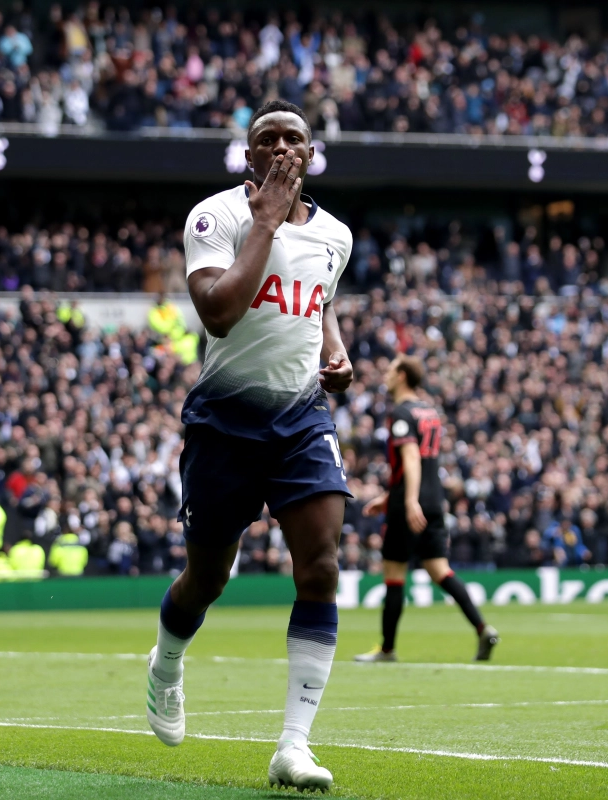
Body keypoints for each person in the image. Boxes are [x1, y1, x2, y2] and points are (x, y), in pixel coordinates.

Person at [144, 99, 353, 792]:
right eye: (269, 139)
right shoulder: (217, 217)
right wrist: (265, 219)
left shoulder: (337, 236)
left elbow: (317, 300)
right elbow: (220, 313)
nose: (284, 147)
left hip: (300, 419)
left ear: (312, 152)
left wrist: (336, 350)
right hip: (225, 421)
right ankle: (167, 663)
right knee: (208, 579)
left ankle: (293, 745)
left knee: (320, 567)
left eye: (296, 137)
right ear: (249, 154)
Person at [356, 355, 498, 663]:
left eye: (391, 370)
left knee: (394, 574)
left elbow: (411, 458)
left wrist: (406, 500)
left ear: (403, 376)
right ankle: (482, 627)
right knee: (439, 569)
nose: (387, 374)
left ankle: (387, 650)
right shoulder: (429, 412)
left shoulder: (402, 413)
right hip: (434, 500)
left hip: (411, 501)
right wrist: (388, 495)